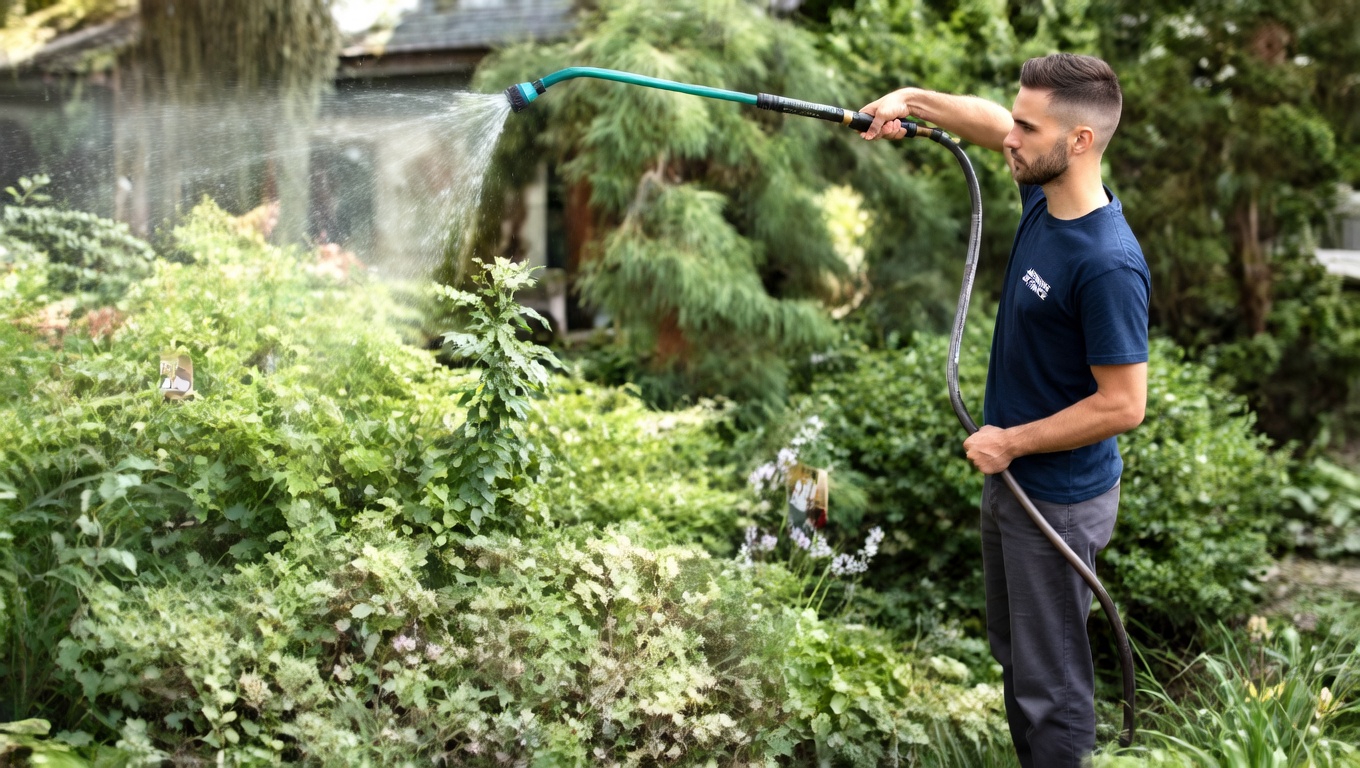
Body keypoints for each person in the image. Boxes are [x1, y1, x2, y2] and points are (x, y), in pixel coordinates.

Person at [859, 53, 1150, 768]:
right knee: (1019, 660)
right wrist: (910, 96)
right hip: (1015, 483)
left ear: (1078, 141)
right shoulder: (1046, 197)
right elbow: (990, 123)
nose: (1009, 136)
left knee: (1050, 687)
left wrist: (1012, 443)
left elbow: (1124, 404)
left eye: (1028, 124)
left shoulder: (1107, 262)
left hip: (1056, 497)